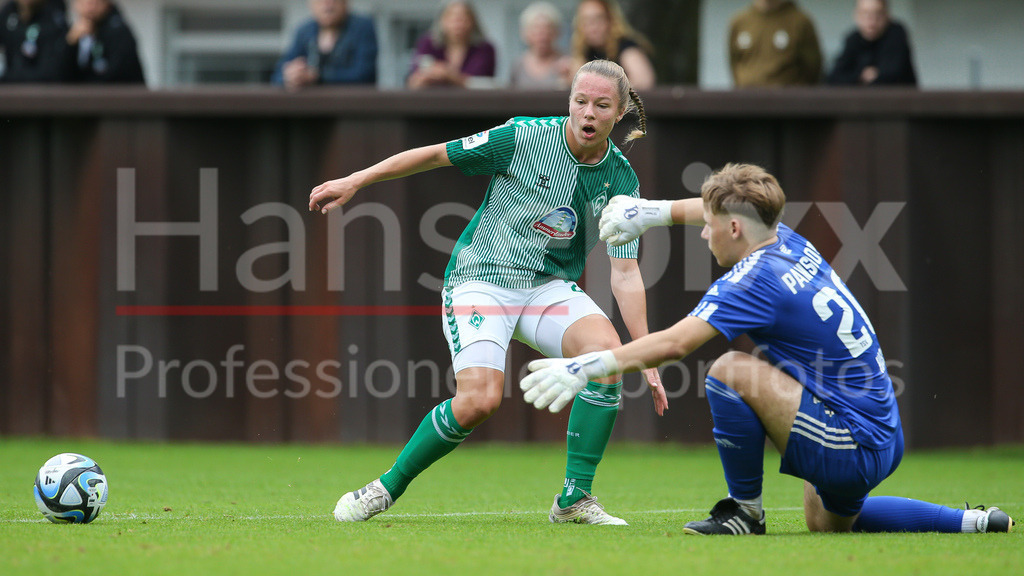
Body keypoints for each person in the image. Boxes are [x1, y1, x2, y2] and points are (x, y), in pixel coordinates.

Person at [520, 163, 1016, 535]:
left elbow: (674, 344)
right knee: (826, 523)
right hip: (879, 430)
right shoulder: (788, 241)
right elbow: (719, 209)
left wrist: (588, 365)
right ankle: (970, 522)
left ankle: (745, 513)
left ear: (734, 229)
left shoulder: (753, 280)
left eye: (710, 226)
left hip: (850, 439)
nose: (705, 232)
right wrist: (652, 214)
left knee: (729, 369)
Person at [310, 59, 667, 526]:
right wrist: (356, 180)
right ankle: (384, 488)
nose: (588, 113)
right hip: (482, 279)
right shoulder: (522, 136)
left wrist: (644, 351)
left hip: (547, 288)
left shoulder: (622, 181)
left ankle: (574, 499)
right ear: (569, 102)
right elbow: (436, 154)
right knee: (479, 400)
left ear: (618, 114)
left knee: (607, 359)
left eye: (601, 105)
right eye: (580, 101)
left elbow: (624, 273)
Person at [271, 0, 377, 90]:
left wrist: (316, 77)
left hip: (351, 107)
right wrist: (291, 76)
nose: (327, 4)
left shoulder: (362, 28)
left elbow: (363, 74)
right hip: (311, 109)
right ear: (311, 4)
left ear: (345, 3)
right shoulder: (304, 31)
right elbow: (279, 74)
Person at [729, 0, 822, 88]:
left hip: (786, 100)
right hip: (746, 98)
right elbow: (734, 64)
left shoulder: (800, 21)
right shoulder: (739, 22)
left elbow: (813, 68)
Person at [406, 0, 494, 90]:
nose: (458, 24)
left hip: (472, 102)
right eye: (452, 18)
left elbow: (482, 84)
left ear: (472, 22)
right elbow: (414, 81)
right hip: (433, 101)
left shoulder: (484, 49)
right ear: (442, 21)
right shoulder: (427, 43)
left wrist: (447, 74)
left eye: (463, 19)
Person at [826, 0, 916, 87]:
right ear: (856, 15)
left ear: (887, 15)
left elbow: (892, 75)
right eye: (865, 14)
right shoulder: (853, 39)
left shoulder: (896, 34)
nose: (872, 20)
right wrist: (861, 75)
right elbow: (833, 78)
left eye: (877, 14)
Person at [569, 0, 655, 90]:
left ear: (611, 20)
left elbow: (643, 81)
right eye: (586, 21)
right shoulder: (585, 52)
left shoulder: (626, 48)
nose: (593, 27)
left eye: (598, 19)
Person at [63, 0, 144, 84]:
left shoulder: (118, 32)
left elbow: (115, 74)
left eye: (95, 3)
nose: (90, 8)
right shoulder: (72, 32)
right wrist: (70, 44)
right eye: (84, 3)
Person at [0, 0, 68, 83]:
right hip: (11, 87)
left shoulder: (54, 16)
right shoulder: (8, 12)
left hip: (45, 88)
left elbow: (53, 70)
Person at [509, 1, 572, 90]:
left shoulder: (567, 63)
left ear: (556, 32)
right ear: (525, 33)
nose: (542, 35)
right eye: (536, 29)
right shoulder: (518, 66)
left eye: (547, 29)